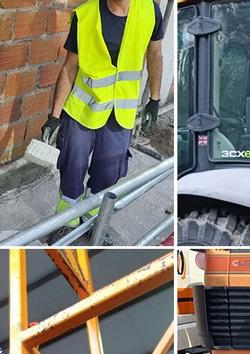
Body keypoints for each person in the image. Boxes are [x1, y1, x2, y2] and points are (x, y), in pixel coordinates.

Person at [40, 0, 164, 229]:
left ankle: (91, 220)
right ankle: (66, 224)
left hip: (120, 112)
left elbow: (155, 53)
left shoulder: (150, 10)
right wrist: (54, 115)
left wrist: (154, 99)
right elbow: (70, 66)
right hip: (82, 109)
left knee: (110, 171)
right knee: (72, 164)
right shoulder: (85, 16)